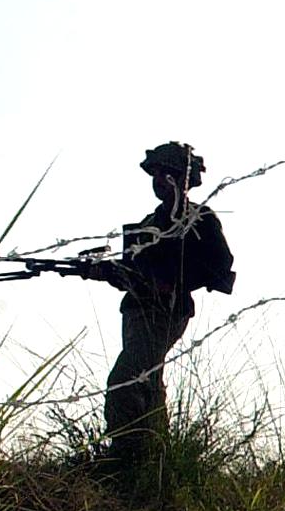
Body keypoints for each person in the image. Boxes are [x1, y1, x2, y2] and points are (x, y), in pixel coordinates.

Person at [100, 142, 234, 473]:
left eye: (167, 173)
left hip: (167, 311)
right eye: (156, 174)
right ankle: (152, 458)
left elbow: (220, 266)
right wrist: (106, 272)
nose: (160, 180)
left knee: (127, 377)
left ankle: (125, 455)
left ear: (182, 179)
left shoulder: (199, 219)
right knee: (148, 378)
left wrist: (174, 282)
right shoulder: (148, 223)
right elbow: (134, 273)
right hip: (136, 310)